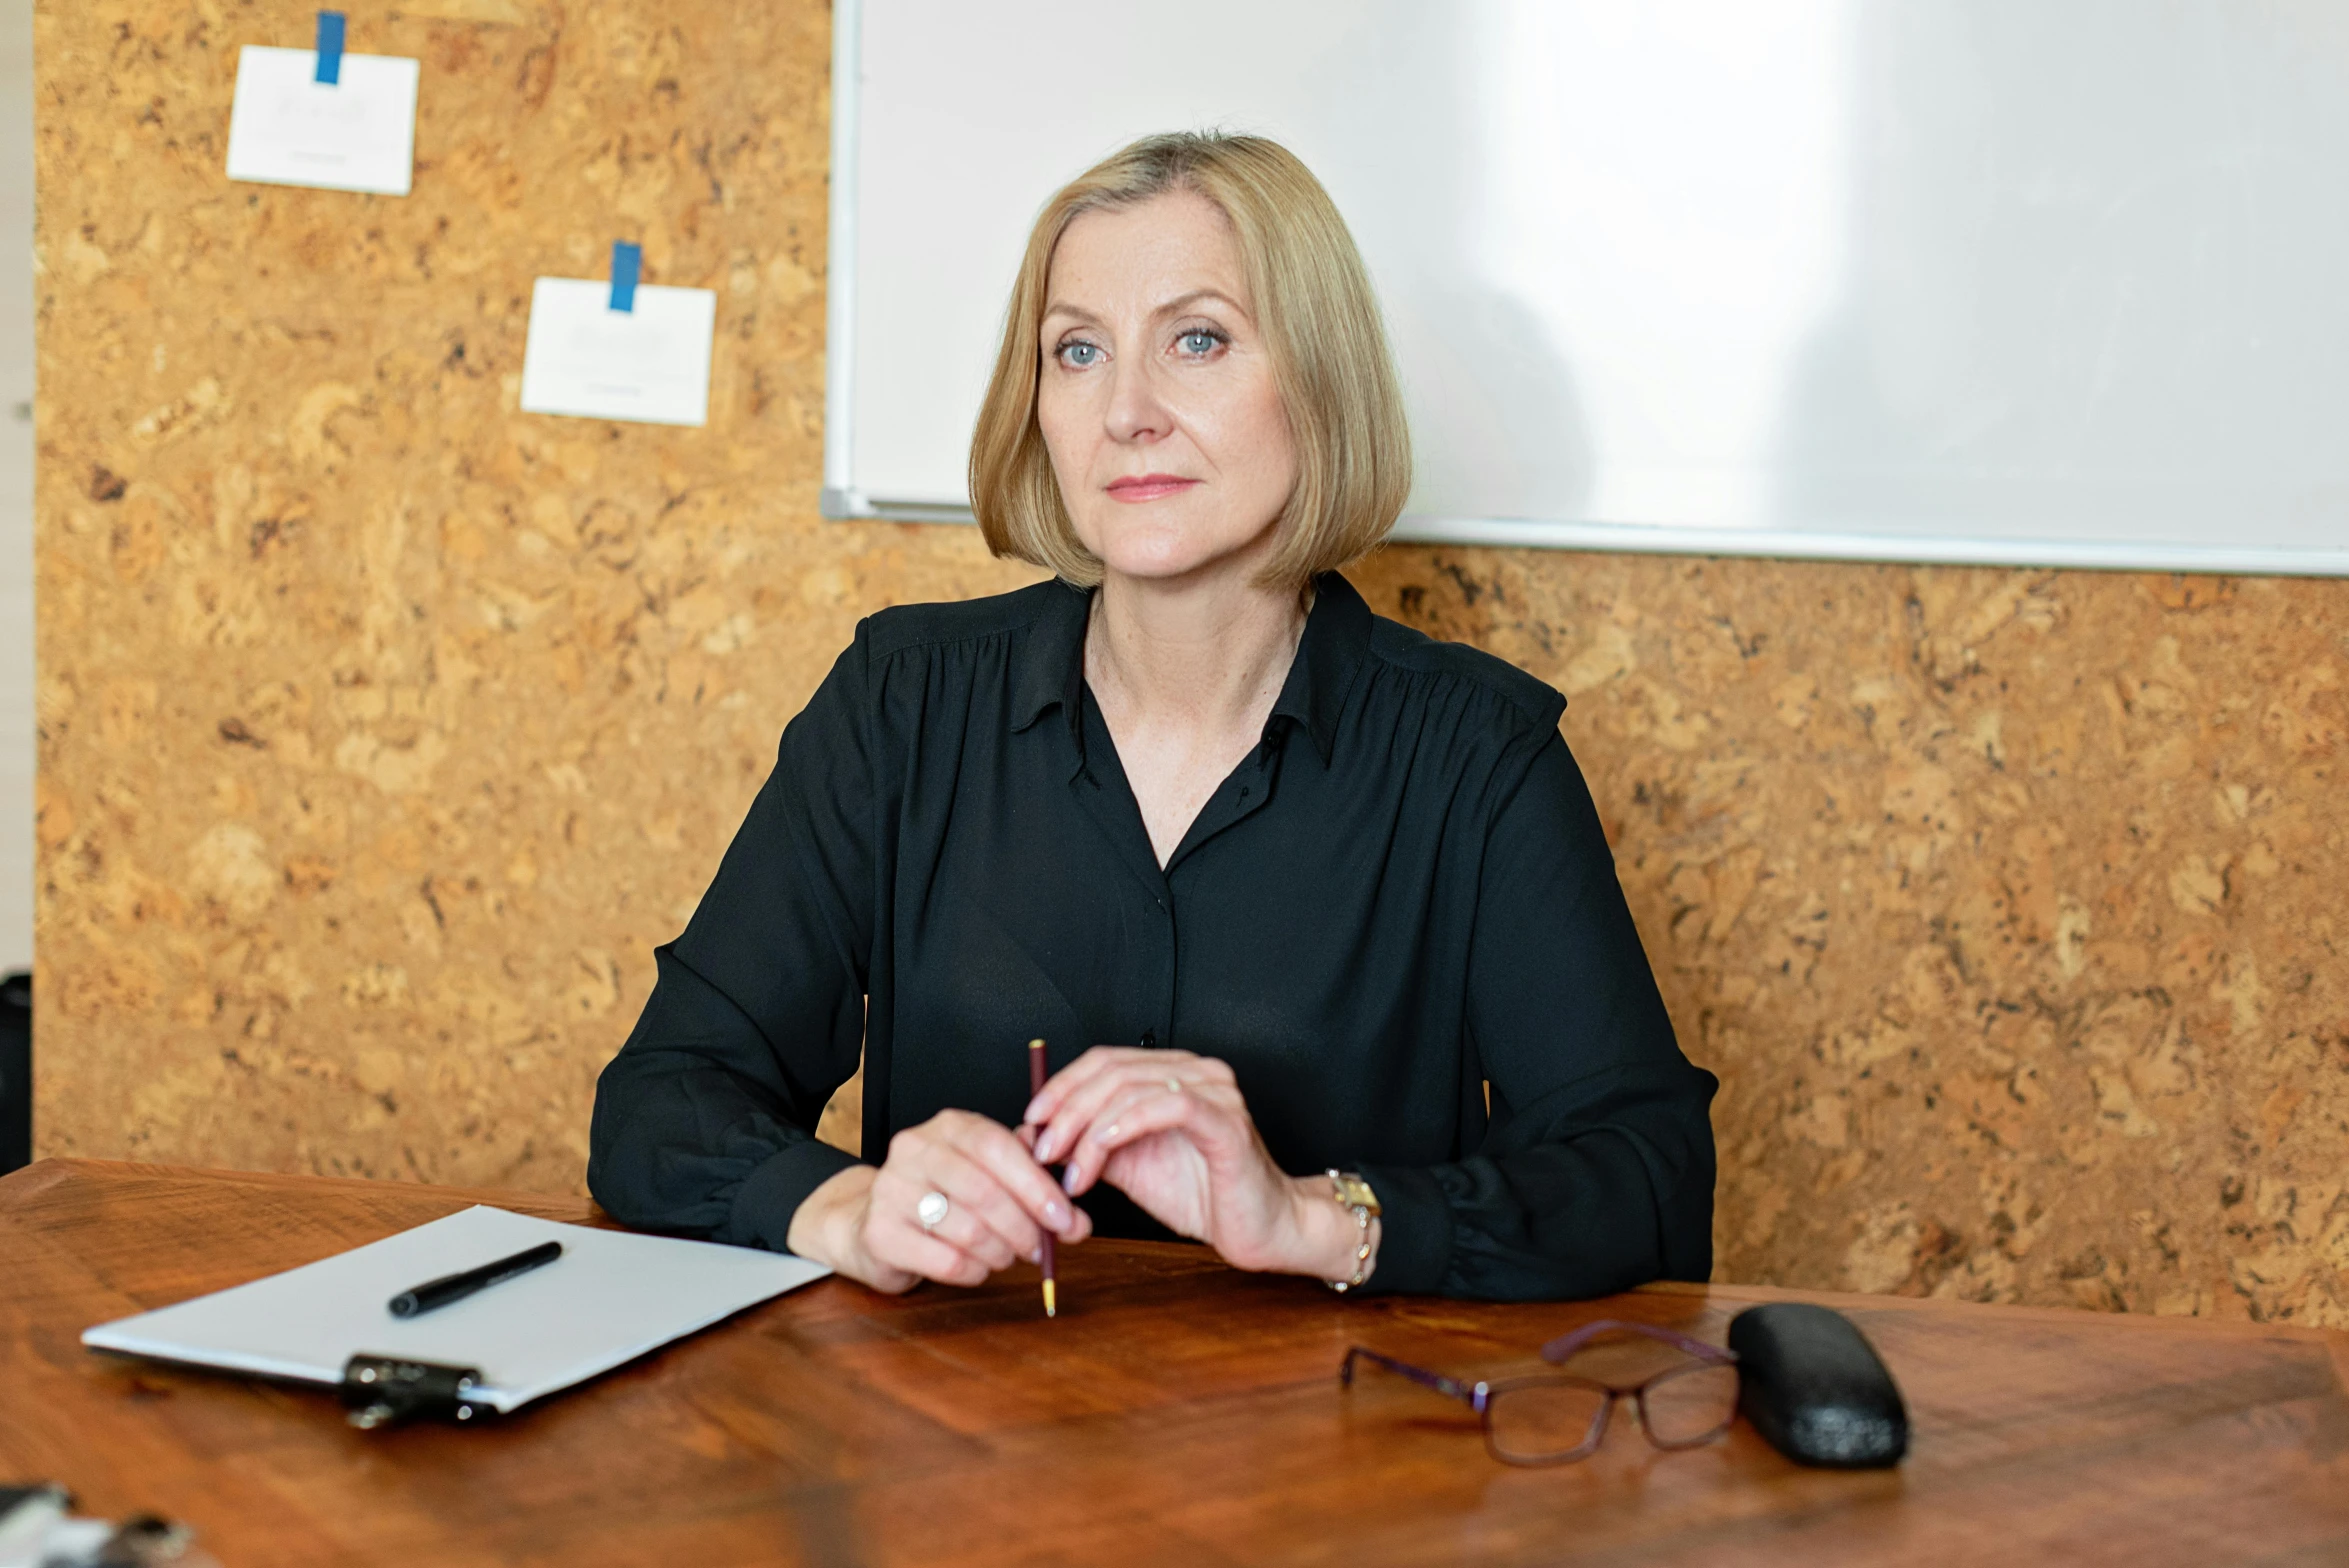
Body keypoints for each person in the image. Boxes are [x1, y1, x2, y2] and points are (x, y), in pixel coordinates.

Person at [587, 131, 1716, 1301]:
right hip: (949, 1442)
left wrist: (1313, 1215)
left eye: (1198, 339)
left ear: (1318, 378)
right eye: (1077, 350)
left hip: (1336, 1452)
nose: (1127, 409)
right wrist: (844, 1208)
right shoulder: (900, 704)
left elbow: (1649, 1178)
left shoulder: (1477, 759)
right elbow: (661, 1099)